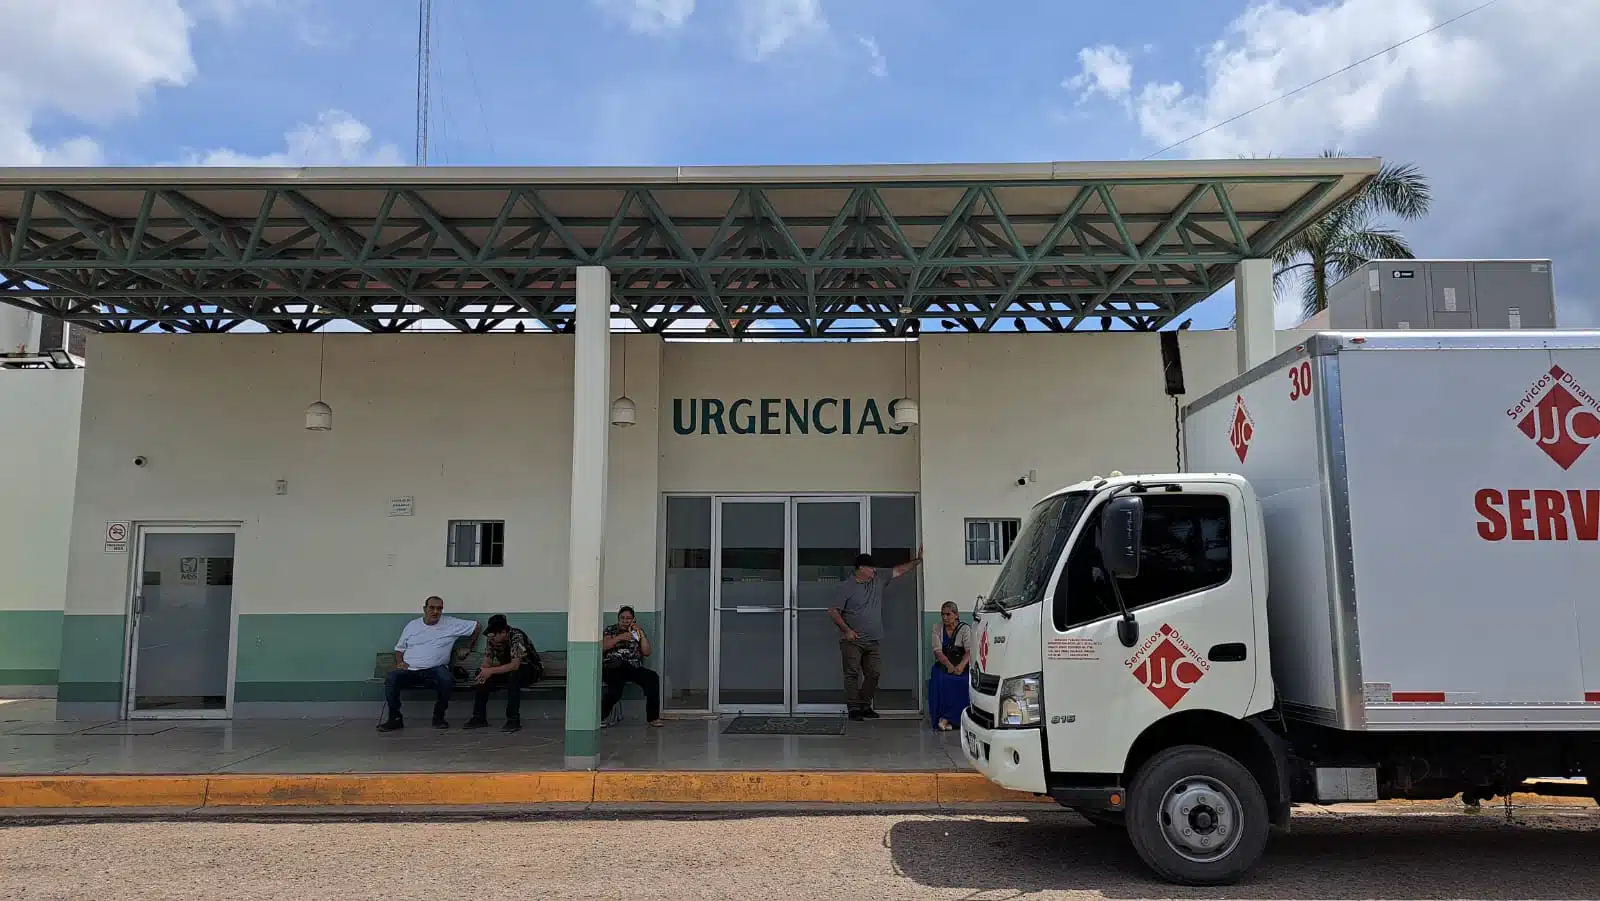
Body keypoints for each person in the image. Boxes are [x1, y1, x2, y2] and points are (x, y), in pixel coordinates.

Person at [828, 547, 923, 721]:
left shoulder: (877, 582)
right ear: (861, 568)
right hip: (852, 641)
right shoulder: (846, 587)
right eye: (871, 568)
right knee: (852, 673)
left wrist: (918, 560)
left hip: (873, 640)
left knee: (874, 673)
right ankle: (854, 709)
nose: (874, 570)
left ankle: (864, 705)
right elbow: (833, 611)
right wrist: (847, 631)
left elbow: (898, 571)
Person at [378, 596, 480, 732]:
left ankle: (439, 717)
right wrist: (400, 662)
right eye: (432, 608)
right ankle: (395, 718)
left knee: (446, 679)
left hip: (435, 670)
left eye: (439, 608)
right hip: (410, 670)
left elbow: (477, 626)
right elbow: (399, 649)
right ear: (424, 609)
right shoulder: (412, 625)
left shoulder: (451, 624)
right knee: (391, 677)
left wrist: (469, 647)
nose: (435, 611)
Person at [465, 614, 542, 733]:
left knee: (514, 676)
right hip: (508, 669)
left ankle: (513, 720)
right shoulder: (491, 638)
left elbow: (515, 665)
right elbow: (488, 660)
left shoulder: (516, 636)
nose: (491, 636)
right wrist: (484, 671)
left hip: (529, 669)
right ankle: (478, 717)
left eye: (495, 634)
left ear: (504, 632)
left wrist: (490, 671)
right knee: (482, 675)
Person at [600, 606, 663, 727]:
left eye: (628, 618)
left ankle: (653, 718)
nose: (625, 621)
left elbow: (647, 652)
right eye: (622, 618)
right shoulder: (611, 630)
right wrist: (619, 638)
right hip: (613, 667)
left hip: (632, 667)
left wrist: (642, 635)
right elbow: (603, 647)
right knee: (615, 691)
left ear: (633, 619)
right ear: (618, 619)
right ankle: (600, 717)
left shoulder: (637, 632)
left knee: (652, 678)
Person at [929, 601, 973, 731]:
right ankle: (942, 717)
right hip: (944, 665)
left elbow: (969, 651)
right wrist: (948, 665)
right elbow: (937, 651)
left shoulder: (965, 629)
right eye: (942, 614)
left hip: (961, 666)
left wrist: (960, 666)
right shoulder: (937, 628)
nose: (945, 618)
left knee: (964, 682)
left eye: (948, 614)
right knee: (942, 680)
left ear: (956, 615)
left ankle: (953, 720)